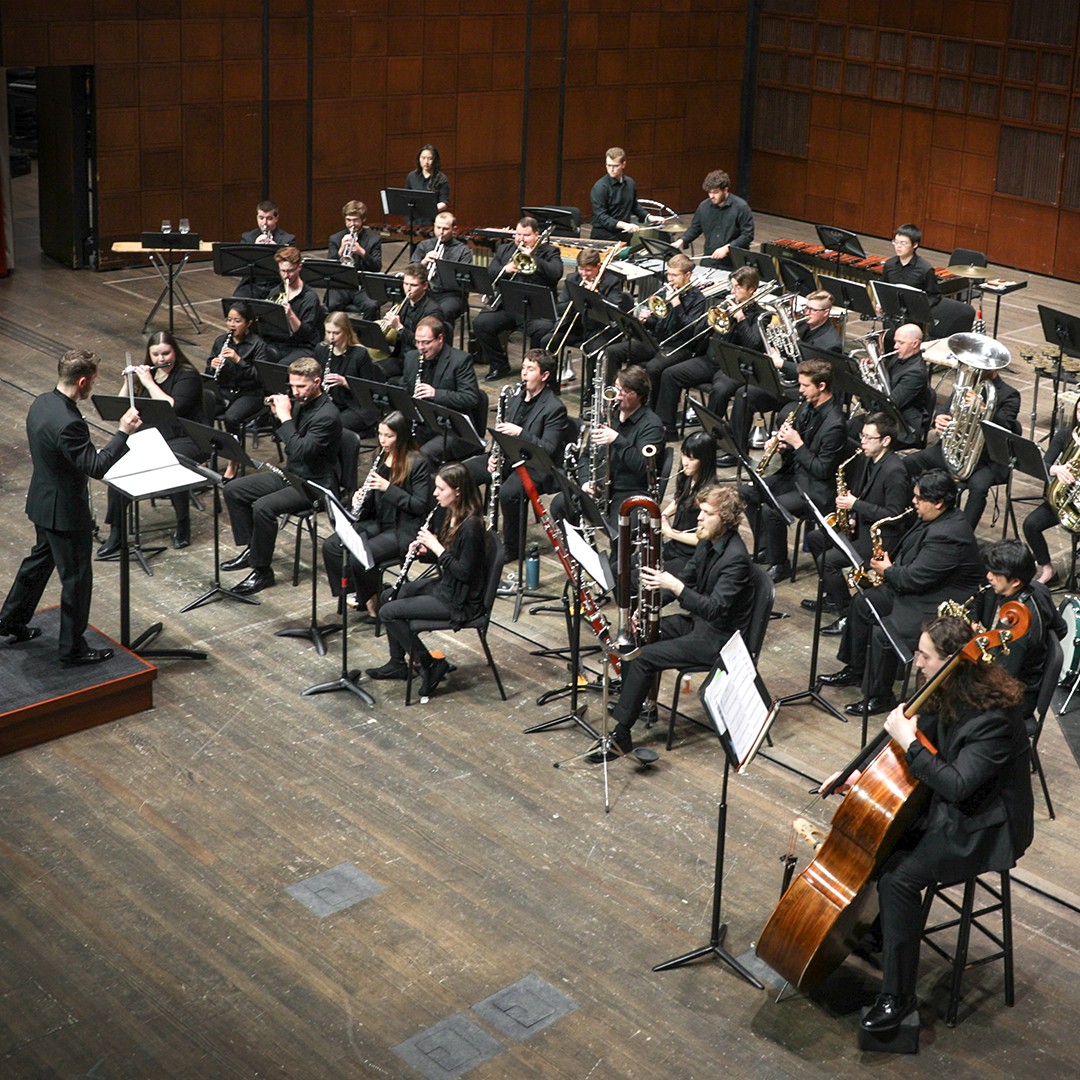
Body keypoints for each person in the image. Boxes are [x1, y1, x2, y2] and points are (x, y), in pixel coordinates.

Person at [825, 615, 1033, 1035]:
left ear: (951, 662)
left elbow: (956, 785)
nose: (916, 663)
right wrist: (858, 777)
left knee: (899, 879)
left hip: (986, 826)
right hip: (951, 807)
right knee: (882, 843)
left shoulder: (993, 717)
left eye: (924, 655)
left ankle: (897, 998)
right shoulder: (948, 690)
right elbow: (920, 755)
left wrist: (910, 741)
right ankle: (884, 934)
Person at [0, 349, 140, 665]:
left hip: (42, 502)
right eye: (92, 382)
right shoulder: (69, 423)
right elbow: (96, 466)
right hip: (65, 513)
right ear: (82, 381)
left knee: (36, 565)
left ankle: (9, 621)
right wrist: (124, 432)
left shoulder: (42, 403)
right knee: (76, 579)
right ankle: (72, 648)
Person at [602, 485, 755, 757]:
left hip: (718, 639)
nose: (699, 517)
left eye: (707, 513)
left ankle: (621, 734)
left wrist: (675, 586)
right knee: (634, 636)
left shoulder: (736, 559)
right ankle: (636, 703)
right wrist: (649, 608)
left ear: (726, 518)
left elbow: (714, 609)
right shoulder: (708, 541)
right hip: (698, 623)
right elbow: (688, 577)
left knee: (643, 657)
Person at [819, 470, 987, 715]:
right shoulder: (934, 518)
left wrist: (888, 571)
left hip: (941, 602)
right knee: (863, 603)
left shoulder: (949, 535)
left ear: (939, 502)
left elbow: (915, 579)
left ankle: (880, 696)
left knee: (884, 633)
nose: (913, 502)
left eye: (919, 498)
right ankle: (856, 669)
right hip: (922, 588)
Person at [366, 462, 487, 701]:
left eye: (441, 489)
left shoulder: (471, 526)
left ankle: (429, 664)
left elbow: (464, 572)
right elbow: (448, 558)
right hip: (447, 586)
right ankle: (398, 662)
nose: (435, 493)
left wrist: (436, 547)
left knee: (389, 612)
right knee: (389, 596)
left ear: (458, 491)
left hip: (459, 601)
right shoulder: (451, 513)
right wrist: (425, 551)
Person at [221, 357, 342, 595]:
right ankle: (253, 550)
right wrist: (278, 416)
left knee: (263, 507)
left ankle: (262, 571)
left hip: (315, 483)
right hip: (293, 474)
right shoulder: (301, 403)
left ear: (317, 382)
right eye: (292, 386)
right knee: (233, 489)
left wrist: (285, 418)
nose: (295, 392)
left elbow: (299, 450)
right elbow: (289, 444)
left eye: (301, 386)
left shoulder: (327, 415)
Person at [98, 332, 207, 555]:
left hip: (188, 437)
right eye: (155, 354)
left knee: (170, 462)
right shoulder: (148, 376)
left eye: (165, 353)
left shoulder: (188, 376)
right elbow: (120, 407)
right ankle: (117, 532)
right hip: (156, 435)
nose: (160, 358)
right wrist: (129, 382)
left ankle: (183, 524)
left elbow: (172, 408)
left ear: (175, 351)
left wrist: (148, 383)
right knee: (118, 464)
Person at [740, 358, 848, 583]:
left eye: (805, 386)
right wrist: (783, 447)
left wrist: (797, 444)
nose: (800, 390)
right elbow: (798, 450)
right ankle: (766, 548)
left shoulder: (835, 424)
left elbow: (822, 469)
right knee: (746, 492)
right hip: (795, 475)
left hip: (817, 488)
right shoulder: (806, 407)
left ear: (821, 386)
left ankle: (781, 565)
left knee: (773, 510)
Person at [805, 413, 914, 633]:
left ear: (886, 441)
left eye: (868, 437)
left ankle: (848, 613)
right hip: (862, 525)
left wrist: (855, 506)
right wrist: (853, 516)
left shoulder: (895, 471)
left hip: (882, 539)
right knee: (816, 539)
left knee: (830, 562)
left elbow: (893, 515)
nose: (862, 441)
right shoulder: (867, 459)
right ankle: (834, 597)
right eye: (862, 436)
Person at [322, 411, 431, 622]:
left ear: (401, 436)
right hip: (378, 521)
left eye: (388, 436)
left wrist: (388, 488)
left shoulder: (417, 463)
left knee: (359, 557)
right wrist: (360, 497)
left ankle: (372, 600)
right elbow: (373, 498)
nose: (382, 440)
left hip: (403, 529)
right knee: (332, 547)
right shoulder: (380, 456)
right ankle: (366, 592)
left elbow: (419, 505)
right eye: (380, 434)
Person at [466, 349, 567, 570]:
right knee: (462, 473)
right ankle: (467, 532)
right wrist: (493, 455)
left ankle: (513, 548)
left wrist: (520, 433)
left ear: (545, 376)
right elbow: (501, 432)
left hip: (536, 466)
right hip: (508, 457)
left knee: (509, 493)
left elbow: (548, 449)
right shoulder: (515, 398)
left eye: (530, 370)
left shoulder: (555, 408)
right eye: (523, 368)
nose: (524, 374)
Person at [722, 288, 839, 462]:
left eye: (813, 310)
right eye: (806, 308)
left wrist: (782, 363)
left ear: (826, 312)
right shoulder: (801, 326)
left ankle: (788, 465)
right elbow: (791, 352)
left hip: (805, 395)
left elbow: (815, 374)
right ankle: (737, 453)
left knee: (785, 416)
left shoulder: (831, 343)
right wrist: (777, 345)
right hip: (788, 385)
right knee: (744, 394)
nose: (807, 313)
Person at [902, 362, 1021, 529]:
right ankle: (909, 517)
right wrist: (940, 418)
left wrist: (984, 410)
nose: (972, 368)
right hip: (952, 450)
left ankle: (963, 532)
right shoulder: (967, 385)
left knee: (979, 488)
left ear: (994, 368)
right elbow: (945, 409)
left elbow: (1005, 429)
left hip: (984, 459)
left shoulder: (1010, 395)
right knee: (907, 463)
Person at [557, 364, 666, 532]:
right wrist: (585, 481)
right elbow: (586, 456)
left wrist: (617, 439)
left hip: (628, 491)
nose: (615, 396)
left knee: (620, 532)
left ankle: (617, 558)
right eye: (615, 388)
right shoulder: (608, 416)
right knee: (560, 505)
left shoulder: (652, 426)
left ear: (635, 395)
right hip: (600, 488)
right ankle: (581, 555)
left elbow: (643, 467)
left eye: (620, 391)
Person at [970, 539, 1066, 720]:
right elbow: (1061, 628)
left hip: (1015, 702)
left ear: (1014, 581)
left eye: (995, 573)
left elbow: (1001, 679)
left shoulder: (1014, 628)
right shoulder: (1038, 588)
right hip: (1029, 681)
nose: (989, 576)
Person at [605, 253, 708, 418]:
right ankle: (612, 401)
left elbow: (690, 331)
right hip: (656, 341)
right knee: (613, 351)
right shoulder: (664, 292)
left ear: (687, 275)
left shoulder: (698, 299)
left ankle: (650, 414)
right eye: (669, 274)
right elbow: (656, 321)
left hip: (679, 347)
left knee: (653, 368)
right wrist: (646, 320)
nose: (670, 279)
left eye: (675, 275)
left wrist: (677, 305)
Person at [473, 216, 563, 380]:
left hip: (536, 309)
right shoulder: (504, 249)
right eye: (518, 235)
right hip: (508, 306)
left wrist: (534, 259)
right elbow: (490, 274)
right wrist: (506, 269)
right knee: (481, 324)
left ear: (537, 235)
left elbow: (556, 274)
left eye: (526, 236)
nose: (521, 240)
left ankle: (534, 372)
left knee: (542, 331)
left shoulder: (550, 251)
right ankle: (499, 364)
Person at [398, 315, 485, 464]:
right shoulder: (412, 358)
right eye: (417, 342)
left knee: (422, 458)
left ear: (440, 339)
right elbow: (405, 388)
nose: (420, 348)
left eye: (426, 343)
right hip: (422, 424)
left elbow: (471, 397)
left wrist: (435, 394)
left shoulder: (460, 360)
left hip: (453, 430)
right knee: (390, 445)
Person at [205, 301, 271, 480]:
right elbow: (208, 372)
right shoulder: (221, 341)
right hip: (225, 390)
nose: (232, 325)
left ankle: (234, 460)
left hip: (250, 393)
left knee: (231, 418)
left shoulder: (258, 344)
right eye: (229, 320)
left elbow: (260, 377)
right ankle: (204, 454)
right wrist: (212, 365)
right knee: (205, 407)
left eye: (237, 321)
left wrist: (238, 360)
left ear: (248, 323)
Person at [1022, 397, 1080, 585]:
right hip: (1063, 501)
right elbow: (1044, 464)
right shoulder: (1065, 435)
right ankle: (1048, 568)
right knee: (1031, 524)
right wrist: (1057, 469)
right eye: (1079, 411)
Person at [879, 223, 973, 338]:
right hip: (892, 315)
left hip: (913, 320)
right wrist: (880, 302)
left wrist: (919, 307)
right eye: (896, 242)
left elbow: (934, 296)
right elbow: (884, 287)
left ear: (914, 245)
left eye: (903, 243)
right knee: (887, 340)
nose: (898, 246)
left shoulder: (925, 269)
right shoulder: (889, 265)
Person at [535, 248, 629, 357]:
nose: (583, 274)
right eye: (581, 269)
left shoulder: (612, 281)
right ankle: (550, 373)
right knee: (547, 341)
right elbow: (559, 308)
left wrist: (597, 295)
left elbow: (615, 310)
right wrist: (577, 299)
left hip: (600, 328)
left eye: (588, 270)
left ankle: (592, 374)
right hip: (576, 326)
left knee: (594, 350)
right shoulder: (572, 278)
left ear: (598, 266)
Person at [660, 432, 720, 578]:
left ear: (705, 461)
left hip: (689, 557)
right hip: (674, 547)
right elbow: (681, 500)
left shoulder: (712, 494)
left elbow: (703, 538)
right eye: (684, 455)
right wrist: (663, 515)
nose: (685, 462)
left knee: (648, 584)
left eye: (691, 458)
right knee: (623, 567)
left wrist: (670, 532)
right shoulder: (688, 477)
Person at [314, 311, 384, 435]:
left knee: (331, 426)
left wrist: (345, 382)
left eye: (336, 333)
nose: (331, 337)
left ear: (346, 332)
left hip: (357, 406)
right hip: (331, 402)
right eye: (328, 332)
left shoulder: (359, 354)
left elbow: (369, 390)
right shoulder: (322, 349)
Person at [671, 169, 754, 270]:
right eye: (709, 192)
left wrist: (727, 248)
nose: (711, 196)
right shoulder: (704, 206)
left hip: (734, 263)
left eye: (715, 192)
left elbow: (747, 235)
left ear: (725, 190)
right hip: (710, 260)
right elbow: (695, 228)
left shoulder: (741, 207)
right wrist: (681, 241)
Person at [377, 262, 444, 381]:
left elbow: (425, 344)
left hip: (418, 360)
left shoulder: (432, 311)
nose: (408, 289)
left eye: (413, 285)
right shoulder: (406, 303)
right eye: (405, 284)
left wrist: (399, 328)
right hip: (400, 355)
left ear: (425, 286)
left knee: (377, 373)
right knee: (368, 368)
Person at [261, 246, 324, 364]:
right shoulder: (276, 292)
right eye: (282, 271)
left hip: (302, 346)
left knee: (280, 367)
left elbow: (306, 334)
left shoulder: (309, 297)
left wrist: (290, 314)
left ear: (299, 267)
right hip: (280, 342)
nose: (286, 276)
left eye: (290, 271)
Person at [415, 211, 473, 327]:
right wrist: (424, 261)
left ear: (454, 229)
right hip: (427, 291)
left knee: (442, 312)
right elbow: (411, 271)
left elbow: (464, 282)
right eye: (438, 227)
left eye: (445, 229)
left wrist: (444, 266)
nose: (441, 232)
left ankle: (443, 343)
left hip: (452, 295)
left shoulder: (463, 251)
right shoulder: (424, 245)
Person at [325, 200, 382, 319]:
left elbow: (377, 267)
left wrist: (362, 253)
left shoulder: (373, 239)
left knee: (371, 306)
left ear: (363, 219)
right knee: (330, 304)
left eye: (355, 220)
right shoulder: (335, 238)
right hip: (341, 285)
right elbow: (329, 268)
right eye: (348, 220)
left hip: (362, 286)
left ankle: (367, 336)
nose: (352, 224)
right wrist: (341, 251)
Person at [589, 147, 659, 240]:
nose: (611, 169)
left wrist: (649, 217)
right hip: (604, 236)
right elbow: (601, 217)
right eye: (608, 165)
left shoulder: (630, 183)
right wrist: (624, 225)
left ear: (623, 164)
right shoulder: (600, 187)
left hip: (624, 235)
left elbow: (634, 206)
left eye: (615, 166)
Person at [234, 200, 296, 299]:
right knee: (236, 306)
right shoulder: (248, 237)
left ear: (277, 218)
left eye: (269, 218)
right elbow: (241, 264)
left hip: (277, 284)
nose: (264, 223)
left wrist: (277, 249)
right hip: (253, 284)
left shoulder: (288, 239)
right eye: (261, 218)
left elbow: (293, 264)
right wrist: (255, 247)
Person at [404, 143, 450, 221]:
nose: (426, 162)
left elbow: (444, 202)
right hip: (414, 219)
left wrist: (428, 210)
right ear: (419, 159)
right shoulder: (412, 176)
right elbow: (406, 197)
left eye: (430, 158)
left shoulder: (442, 178)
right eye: (423, 158)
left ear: (435, 160)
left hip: (432, 219)